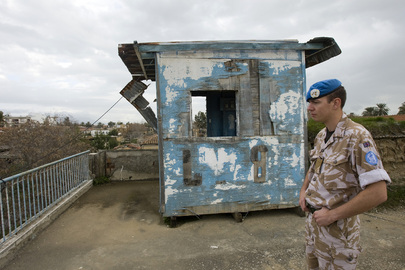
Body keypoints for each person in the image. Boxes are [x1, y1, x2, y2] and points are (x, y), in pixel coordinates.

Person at [299, 79, 391, 269]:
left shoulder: (357, 136)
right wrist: (303, 192)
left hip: (338, 233)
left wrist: (332, 215)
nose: (309, 108)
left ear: (336, 103)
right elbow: (315, 167)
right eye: (309, 103)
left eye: (316, 102)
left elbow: (378, 192)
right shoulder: (321, 136)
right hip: (315, 227)